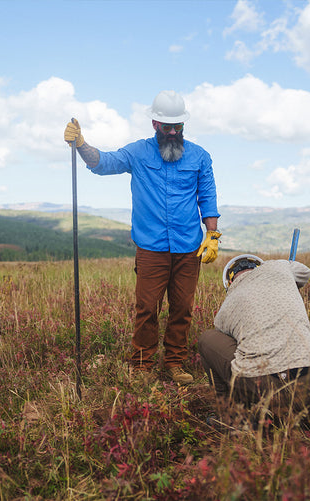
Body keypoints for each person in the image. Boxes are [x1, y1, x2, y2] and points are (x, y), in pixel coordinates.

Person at [63, 90, 221, 385]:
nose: (173, 132)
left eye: (178, 127)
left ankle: (175, 363)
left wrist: (211, 234)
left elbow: (208, 197)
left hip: (188, 247)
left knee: (183, 309)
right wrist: (81, 145)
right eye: (167, 127)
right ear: (154, 124)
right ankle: (142, 366)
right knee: (147, 308)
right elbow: (103, 163)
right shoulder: (137, 153)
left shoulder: (200, 157)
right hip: (151, 248)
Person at [198, 255, 310, 444]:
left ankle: (232, 416)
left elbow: (231, 344)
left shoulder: (225, 310)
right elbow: (304, 273)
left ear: (230, 281)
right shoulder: (280, 267)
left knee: (207, 339)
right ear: (258, 266)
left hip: (262, 387)